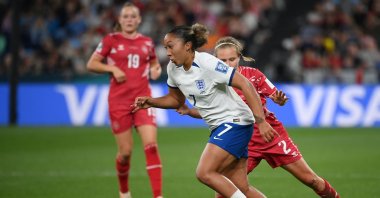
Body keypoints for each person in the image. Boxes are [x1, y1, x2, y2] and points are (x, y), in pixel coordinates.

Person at [177, 36, 340, 198]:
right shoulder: (212, 81)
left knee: (311, 180)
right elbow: (213, 112)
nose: (228, 64)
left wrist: (279, 99)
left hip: (270, 135)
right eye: (223, 60)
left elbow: (275, 95)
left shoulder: (252, 75)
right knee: (224, 192)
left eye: (232, 59)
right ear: (215, 60)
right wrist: (190, 111)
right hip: (243, 141)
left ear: (239, 58)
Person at [133, 24, 278, 198]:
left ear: (187, 45)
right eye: (166, 48)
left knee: (204, 172)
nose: (168, 52)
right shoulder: (173, 69)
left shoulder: (207, 63)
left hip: (235, 122)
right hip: (222, 127)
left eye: (171, 46)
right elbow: (175, 100)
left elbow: (245, 84)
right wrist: (151, 101)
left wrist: (261, 122)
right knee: (242, 188)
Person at [86, 3, 163, 198]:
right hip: (119, 102)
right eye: (126, 16)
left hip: (144, 100)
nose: (129, 19)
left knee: (151, 145)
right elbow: (92, 63)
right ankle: (124, 191)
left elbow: (154, 63)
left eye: (133, 16)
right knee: (125, 152)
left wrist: (156, 70)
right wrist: (111, 69)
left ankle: (158, 195)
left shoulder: (147, 42)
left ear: (139, 20)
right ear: (120, 20)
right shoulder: (110, 40)